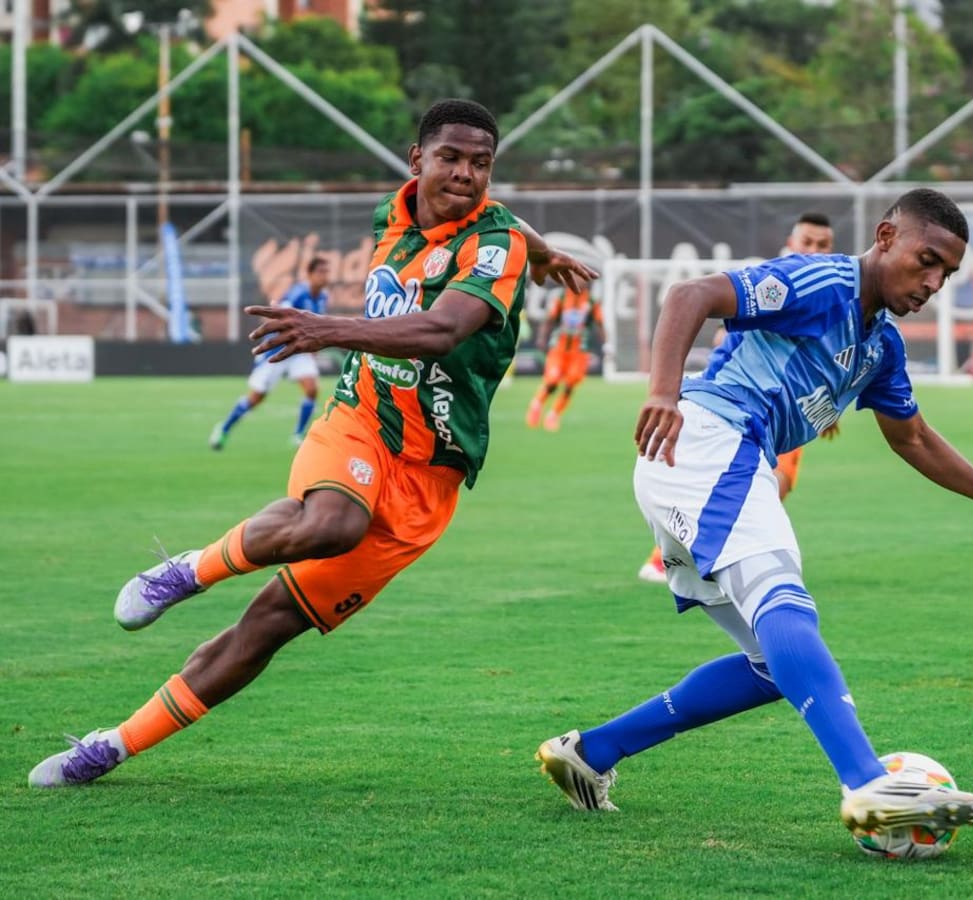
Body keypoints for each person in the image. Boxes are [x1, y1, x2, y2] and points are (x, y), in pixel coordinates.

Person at [28, 98, 596, 789]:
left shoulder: (493, 242)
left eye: (482, 163)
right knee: (331, 521)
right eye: (451, 157)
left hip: (429, 480)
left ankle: (111, 746)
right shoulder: (394, 214)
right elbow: (505, 232)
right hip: (360, 418)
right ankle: (185, 571)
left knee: (266, 627)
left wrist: (330, 329)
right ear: (417, 161)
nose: (467, 174)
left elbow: (442, 331)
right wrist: (548, 251)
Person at [536, 188, 973, 839]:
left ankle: (592, 754)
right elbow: (690, 296)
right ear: (886, 235)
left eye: (945, 274)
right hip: (708, 442)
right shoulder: (822, 281)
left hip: (710, 464)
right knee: (785, 603)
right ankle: (868, 782)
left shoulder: (881, 346)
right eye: (926, 260)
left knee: (771, 666)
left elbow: (915, 439)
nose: (932, 282)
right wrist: (663, 394)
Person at [638, 211, 838, 584]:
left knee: (772, 483)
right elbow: (718, 319)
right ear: (791, 245)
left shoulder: (828, 293)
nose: (814, 250)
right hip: (738, 410)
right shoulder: (780, 281)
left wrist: (829, 408)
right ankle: (682, 557)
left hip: (784, 415)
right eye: (807, 243)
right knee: (768, 483)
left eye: (822, 245)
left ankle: (700, 554)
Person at [209, 257, 332, 450]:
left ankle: (298, 435)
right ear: (310, 274)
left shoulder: (323, 296)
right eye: (321, 272)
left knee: (311, 389)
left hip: (298, 353)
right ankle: (223, 428)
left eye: (327, 272)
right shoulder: (298, 293)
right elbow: (279, 315)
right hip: (276, 350)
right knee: (255, 398)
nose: (325, 276)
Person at [524, 282, 607, 431]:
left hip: (579, 350)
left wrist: (606, 344)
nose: (579, 281)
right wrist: (542, 338)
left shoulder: (592, 301)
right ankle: (536, 405)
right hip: (559, 348)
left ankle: (554, 415)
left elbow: (599, 323)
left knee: (571, 383)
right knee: (553, 380)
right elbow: (549, 319)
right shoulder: (562, 297)